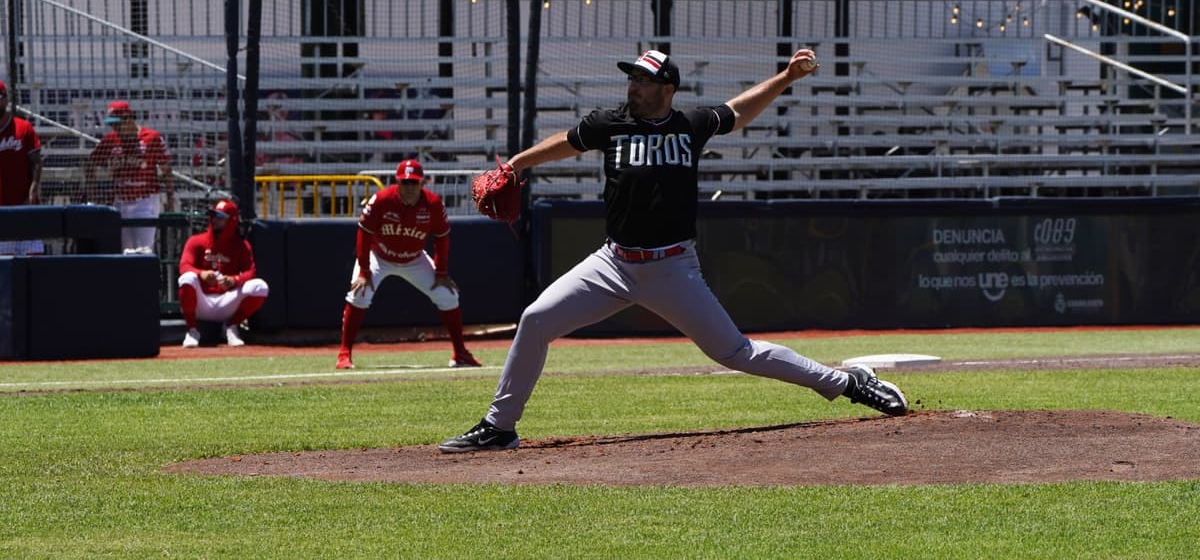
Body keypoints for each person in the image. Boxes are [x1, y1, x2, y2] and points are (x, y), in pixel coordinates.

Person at [439, 48, 909, 453]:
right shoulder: (611, 123)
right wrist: (519, 164)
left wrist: (786, 78)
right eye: (632, 78)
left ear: (667, 87)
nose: (633, 86)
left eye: (642, 79)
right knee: (536, 319)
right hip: (613, 263)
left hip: (671, 268)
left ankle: (849, 382)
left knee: (735, 352)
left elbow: (738, 112)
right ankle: (500, 428)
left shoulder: (691, 125)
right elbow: (567, 142)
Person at [336, 158, 480, 370]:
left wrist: (441, 272)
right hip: (380, 256)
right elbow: (364, 235)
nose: (409, 187)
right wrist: (365, 271)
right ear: (397, 182)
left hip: (413, 258)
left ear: (422, 183)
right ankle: (344, 353)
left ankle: (460, 353)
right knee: (360, 293)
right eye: (405, 183)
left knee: (448, 295)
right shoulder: (382, 199)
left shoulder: (432, 203)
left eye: (414, 183)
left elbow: (442, 238)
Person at [84, 100, 175, 253]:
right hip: (120, 202)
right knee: (124, 251)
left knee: (144, 250)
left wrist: (170, 198)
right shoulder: (111, 140)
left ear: (128, 119)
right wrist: (93, 195)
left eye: (117, 123)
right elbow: (90, 165)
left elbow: (166, 170)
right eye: (112, 124)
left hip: (145, 201)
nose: (114, 128)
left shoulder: (151, 138)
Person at [177, 199, 269, 348]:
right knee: (187, 278)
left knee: (260, 287)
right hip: (202, 302)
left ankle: (232, 327)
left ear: (231, 220)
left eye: (220, 217)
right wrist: (202, 274)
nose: (214, 220)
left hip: (227, 302)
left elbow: (250, 272)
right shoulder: (196, 241)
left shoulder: (241, 245)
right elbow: (184, 266)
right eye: (213, 216)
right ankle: (192, 330)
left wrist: (234, 280)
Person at [0, 80, 45, 256]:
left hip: (24, 209)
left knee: (34, 264)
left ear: (5, 99)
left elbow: (36, 161)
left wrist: (33, 187)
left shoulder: (23, 127)